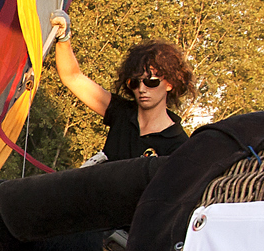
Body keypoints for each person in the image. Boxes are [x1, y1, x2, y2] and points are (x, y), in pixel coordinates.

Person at [48, 16, 193, 161]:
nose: (142, 89)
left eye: (151, 82)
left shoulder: (179, 146)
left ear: (170, 84)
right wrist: (63, 38)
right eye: (134, 82)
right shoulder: (122, 113)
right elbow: (72, 77)